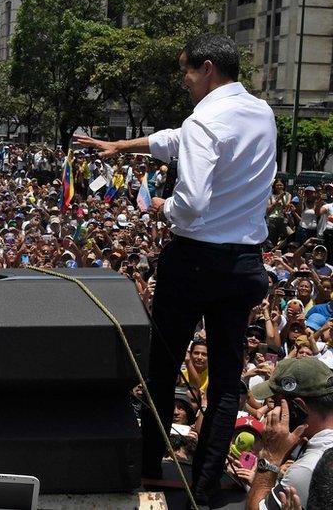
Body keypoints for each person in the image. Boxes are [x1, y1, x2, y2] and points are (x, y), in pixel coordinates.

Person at [77, 33, 275, 501]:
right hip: (245, 262)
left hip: (195, 262)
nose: (183, 82)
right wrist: (123, 146)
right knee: (228, 381)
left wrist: (164, 206)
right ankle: (205, 486)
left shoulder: (205, 120)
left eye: (186, 71)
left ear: (207, 68)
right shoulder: (260, 112)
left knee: (162, 368)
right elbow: (175, 140)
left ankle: (148, 470)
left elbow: (191, 203)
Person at [247, 357, 333, 509]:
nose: (271, 410)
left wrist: (269, 457)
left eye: (275, 402)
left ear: (297, 409)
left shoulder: (307, 469)